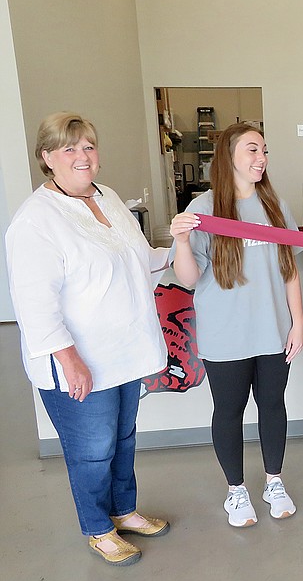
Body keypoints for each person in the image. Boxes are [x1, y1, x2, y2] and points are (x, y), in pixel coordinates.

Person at [5, 112, 170, 566]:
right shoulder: (35, 220)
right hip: (80, 360)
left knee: (123, 438)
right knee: (92, 450)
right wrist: (69, 359)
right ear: (47, 158)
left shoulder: (110, 198)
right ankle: (98, 528)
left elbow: (138, 260)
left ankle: (125, 510)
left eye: (88, 147)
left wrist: (178, 248)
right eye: (69, 148)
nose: (82, 157)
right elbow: (35, 303)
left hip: (124, 352)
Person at [169, 123, 303, 525]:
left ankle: (274, 482)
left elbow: (289, 269)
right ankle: (236, 491)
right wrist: (179, 240)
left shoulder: (275, 203)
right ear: (229, 158)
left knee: (272, 407)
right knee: (228, 411)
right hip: (224, 334)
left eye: (264, 150)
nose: (261, 158)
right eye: (251, 150)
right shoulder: (203, 209)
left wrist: (296, 323)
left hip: (273, 331)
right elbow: (189, 278)